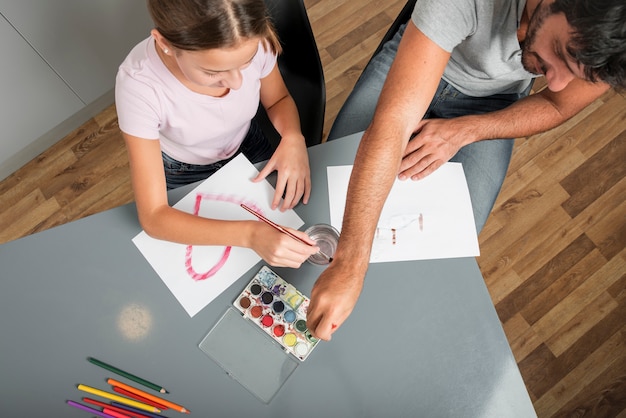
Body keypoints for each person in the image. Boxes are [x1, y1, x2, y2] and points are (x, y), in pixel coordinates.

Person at [307, 0, 626, 340]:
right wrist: (351, 263)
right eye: (561, 55)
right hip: (423, 58)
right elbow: (395, 121)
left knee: (439, 263)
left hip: (496, 102)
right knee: (326, 202)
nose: (558, 82)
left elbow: (557, 103)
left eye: (575, 74)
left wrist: (467, 130)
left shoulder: (609, 45)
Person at [115, 0, 319, 268]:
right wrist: (251, 235)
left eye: (245, 64)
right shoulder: (139, 86)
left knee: (296, 215)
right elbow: (154, 217)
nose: (237, 83)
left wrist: (293, 136)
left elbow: (278, 99)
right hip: (184, 171)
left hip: (249, 144)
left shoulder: (253, 38)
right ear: (164, 43)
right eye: (213, 72)